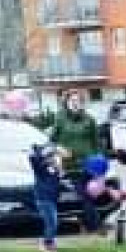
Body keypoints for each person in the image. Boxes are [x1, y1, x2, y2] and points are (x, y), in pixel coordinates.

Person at [51, 89, 103, 233]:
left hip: (89, 163)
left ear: (82, 103)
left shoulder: (89, 119)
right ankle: (96, 225)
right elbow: (53, 140)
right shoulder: (60, 118)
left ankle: (88, 224)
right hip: (71, 165)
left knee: (90, 195)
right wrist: (59, 150)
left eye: (78, 101)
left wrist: (100, 162)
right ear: (66, 103)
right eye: (72, 101)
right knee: (84, 195)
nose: (75, 103)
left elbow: (97, 142)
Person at [29, 142, 66, 252]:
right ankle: (46, 244)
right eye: (52, 157)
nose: (55, 159)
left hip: (51, 197)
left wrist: (59, 168)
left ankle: (49, 243)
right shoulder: (40, 166)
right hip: (43, 197)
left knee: (52, 222)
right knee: (52, 223)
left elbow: (59, 175)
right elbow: (33, 158)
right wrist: (50, 151)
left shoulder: (54, 169)